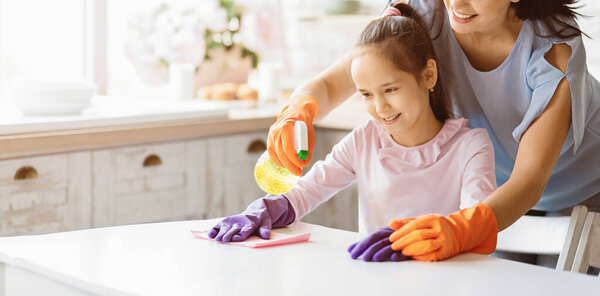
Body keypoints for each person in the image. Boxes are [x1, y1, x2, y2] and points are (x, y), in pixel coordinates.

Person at [267, 0, 600, 262]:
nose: (456, 3)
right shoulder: (426, 11)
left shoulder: (555, 52)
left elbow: (529, 180)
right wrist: (299, 109)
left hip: (582, 188)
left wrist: (460, 227)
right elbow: (331, 83)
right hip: (495, 193)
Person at [208, 4, 498, 262]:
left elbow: (475, 221)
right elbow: (310, 190)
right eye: (366, 94)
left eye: (390, 89)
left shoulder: (470, 147)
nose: (380, 107)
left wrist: (428, 241)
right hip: (377, 281)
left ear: (428, 75)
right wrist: (270, 208)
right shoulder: (365, 140)